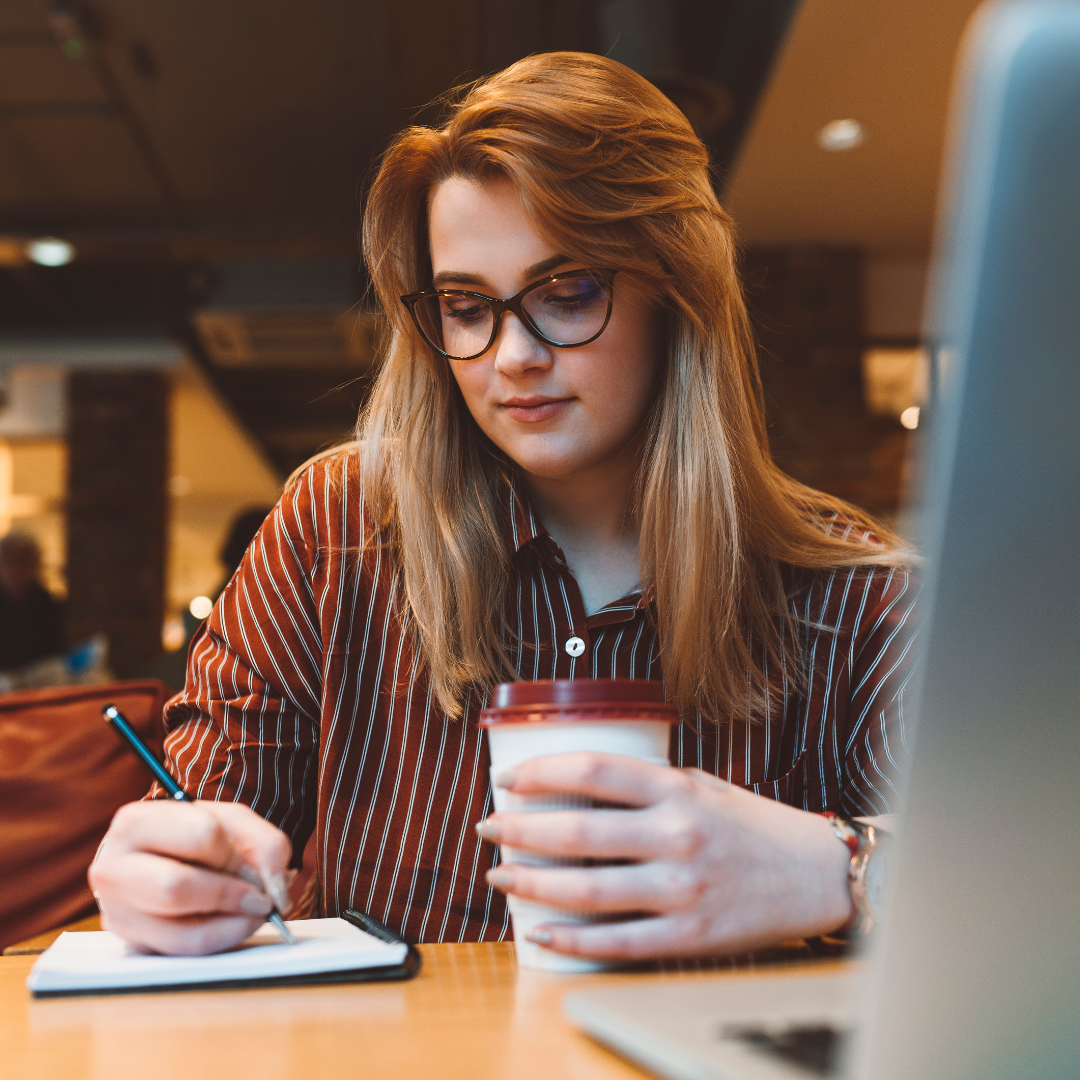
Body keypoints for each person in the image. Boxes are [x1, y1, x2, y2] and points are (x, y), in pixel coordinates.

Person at [90, 53, 920, 958]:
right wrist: (162, 877)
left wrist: (841, 871)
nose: (513, 355)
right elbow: (199, 824)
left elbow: (1029, 906)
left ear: (678, 295)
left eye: (567, 294)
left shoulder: (856, 592)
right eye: (465, 306)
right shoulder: (335, 530)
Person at [0, 531, 65, 676]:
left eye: (22, 562)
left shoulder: (48, 603)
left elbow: (55, 653)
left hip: (41, 682)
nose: (14, 570)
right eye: (8, 561)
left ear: (36, 565)